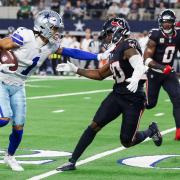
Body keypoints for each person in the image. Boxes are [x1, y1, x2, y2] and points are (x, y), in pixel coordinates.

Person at [0, 10, 112, 171]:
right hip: (2, 80)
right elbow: (2, 44)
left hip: (19, 85)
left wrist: (97, 57)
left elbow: (71, 52)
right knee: (4, 119)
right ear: (44, 26)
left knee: (18, 126)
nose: (56, 32)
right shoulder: (25, 36)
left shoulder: (51, 45)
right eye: (54, 28)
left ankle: (10, 157)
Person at [56, 17, 162, 171]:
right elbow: (100, 74)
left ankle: (151, 131)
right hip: (117, 94)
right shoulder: (114, 51)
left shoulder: (128, 44)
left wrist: (138, 73)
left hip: (134, 98)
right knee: (94, 126)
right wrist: (76, 70)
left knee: (127, 141)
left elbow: (138, 62)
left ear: (118, 31)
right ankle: (72, 161)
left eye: (108, 34)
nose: (106, 38)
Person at [144, 9, 180, 140]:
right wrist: (161, 67)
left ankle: (179, 132)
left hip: (168, 74)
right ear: (160, 22)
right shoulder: (155, 35)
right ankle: (131, 110)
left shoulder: (178, 35)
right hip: (154, 73)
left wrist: (167, 69)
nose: (166, 24)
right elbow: (146, 59)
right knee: (150, 104)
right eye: (164, 22)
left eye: (169, 21)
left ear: (173, 22)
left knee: (178, 100)